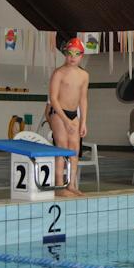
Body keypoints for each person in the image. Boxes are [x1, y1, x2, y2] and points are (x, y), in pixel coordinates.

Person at [48, 37, 89, 197]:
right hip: (58, 113)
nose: (73, 57)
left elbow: (83, 99)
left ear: (81, 56)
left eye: (76, 54)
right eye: (70, 53)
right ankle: (59, 185)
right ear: (65, 54)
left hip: (74, 115)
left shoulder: (84, 75)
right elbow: (53, 99)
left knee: (74, 149)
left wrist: (83, 122)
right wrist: (65, 120)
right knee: (62, 148)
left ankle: (71, 184)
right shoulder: (58, 73)